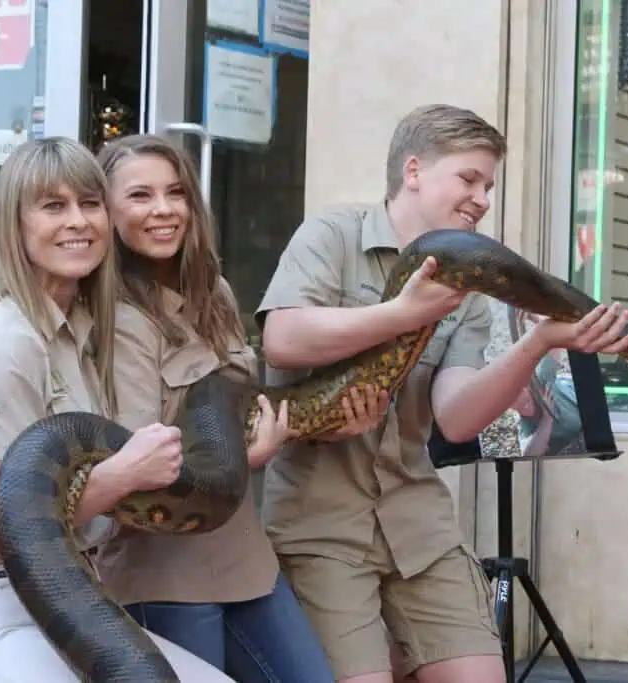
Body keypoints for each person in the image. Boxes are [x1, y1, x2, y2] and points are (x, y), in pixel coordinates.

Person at [255, 104, 628, 683]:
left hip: (419, 522)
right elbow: (282, 339)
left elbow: (457, 420)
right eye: (469, 179)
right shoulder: (333, 234)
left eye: (489, 186)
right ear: (413, 171)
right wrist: (402, 315)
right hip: (321, 527)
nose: (482, 198)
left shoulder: (469, 287)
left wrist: (537, 344)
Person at [0, 136, 234, 682]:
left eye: (90, 204)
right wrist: (125, 475)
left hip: (74, 591)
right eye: (53, 206)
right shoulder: (2, 342)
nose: (78, 222)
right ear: (14, 225)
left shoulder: (78, 334)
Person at [92, 133, 389, 682]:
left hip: (246, 560)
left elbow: (250, 413)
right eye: (139, 196)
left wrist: (324, 425)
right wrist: (245, 460)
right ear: (106, 211)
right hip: (162, 574)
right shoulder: (113, 319)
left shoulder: (215, 294)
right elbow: (141, 465)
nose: (163, 209)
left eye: (176, 192)